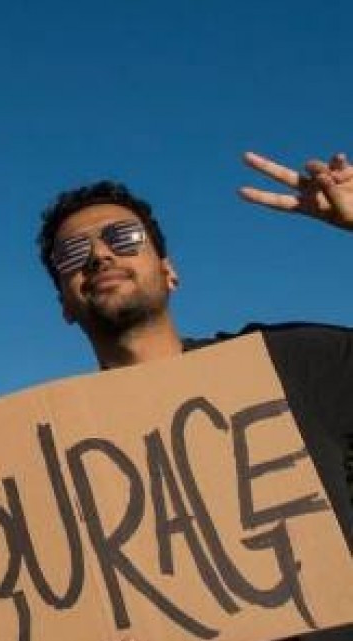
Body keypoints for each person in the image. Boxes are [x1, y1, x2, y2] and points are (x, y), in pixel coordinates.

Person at [34, 151, 352, 640]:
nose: (100, 256)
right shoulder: (46, 461)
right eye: (73, 254)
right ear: (64, 305)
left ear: (169, 272)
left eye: (123, 238)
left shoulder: (285, 362)